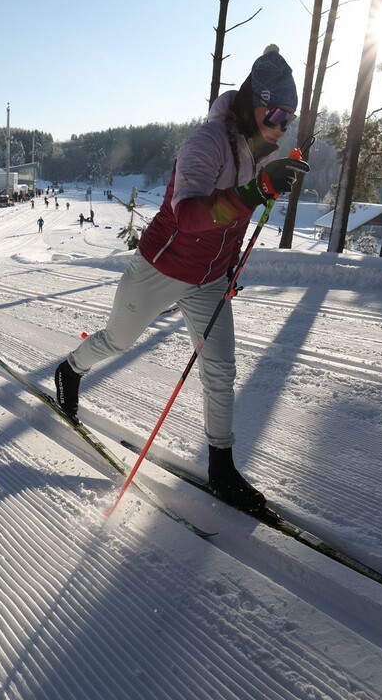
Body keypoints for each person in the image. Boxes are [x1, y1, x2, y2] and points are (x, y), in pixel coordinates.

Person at [53, 45, 307, 513]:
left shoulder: (256, 151)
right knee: (117, 340)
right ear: (253, 102)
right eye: (274, 112)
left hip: (209, 280)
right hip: (161, 268)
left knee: (220, 368)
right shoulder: (206, 143)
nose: (279, 124)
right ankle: (69, 368)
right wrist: (257, 188)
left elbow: (235, 224)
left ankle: (222, 467)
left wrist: (229, 266)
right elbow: (188, 215)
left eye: (287, 118)